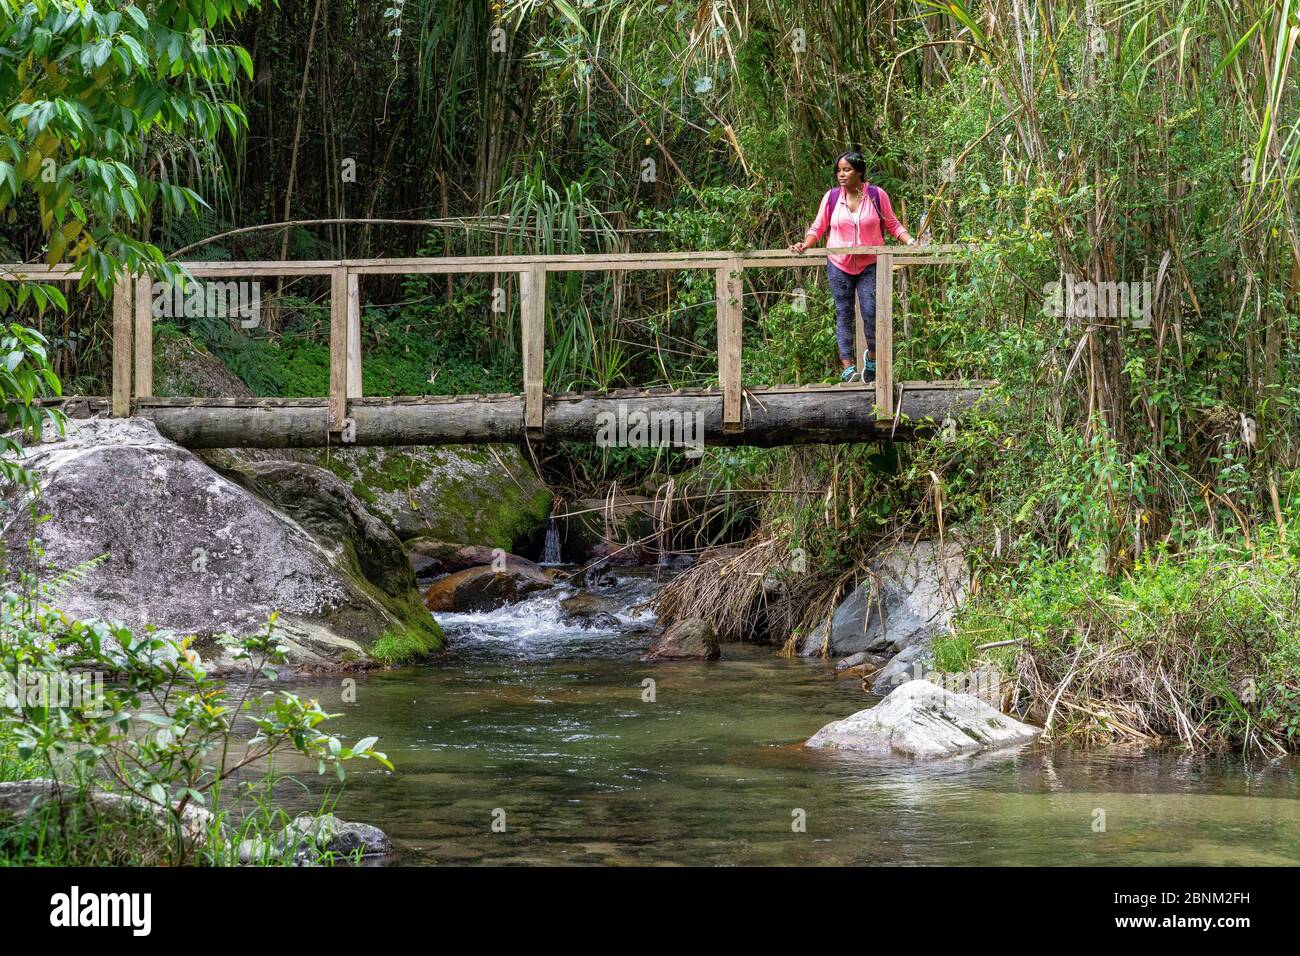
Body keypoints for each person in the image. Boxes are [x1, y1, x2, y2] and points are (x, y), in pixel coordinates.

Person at [788, 151, 916, 382]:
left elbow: (892, 224)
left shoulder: (876, 195)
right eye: (839, 170)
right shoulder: (832, 197)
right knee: (843, 313)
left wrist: (911, 241)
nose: (841, 174)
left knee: (871, 312)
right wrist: (804, 244)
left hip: (870, 263)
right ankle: (847, 366)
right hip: (839, 264)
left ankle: (873, 360)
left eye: (846, 170)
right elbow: (818, 227)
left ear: (859, 172)